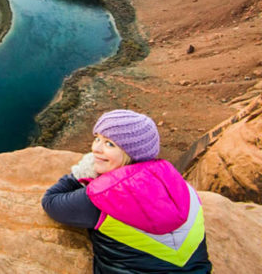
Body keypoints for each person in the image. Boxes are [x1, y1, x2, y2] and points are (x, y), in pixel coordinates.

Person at [42, 109, 212, 273]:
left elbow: (50, 202)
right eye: (97, 139)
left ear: (132, 153)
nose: (95, 149)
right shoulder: (180, 185)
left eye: (109, 144)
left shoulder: (105, 196)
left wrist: (81, 172)